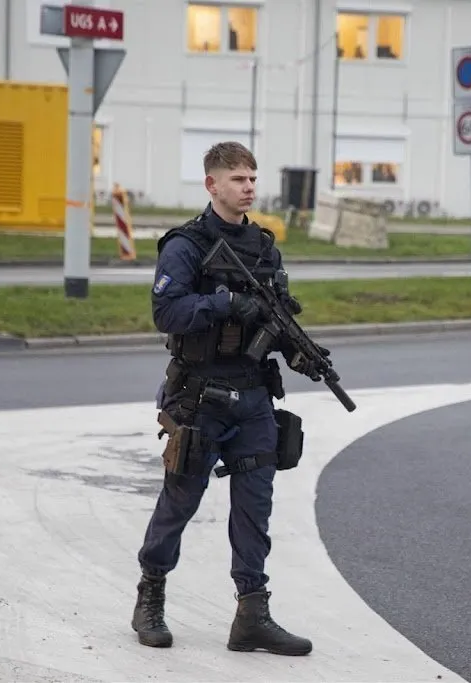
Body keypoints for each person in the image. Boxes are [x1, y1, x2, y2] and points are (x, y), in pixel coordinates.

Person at [131, 141, 322, 657]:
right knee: (180, 500)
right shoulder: (186, 246)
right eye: (238, 178)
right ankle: (150, 595)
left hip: (254, 398)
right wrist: (225, 303)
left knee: (255, 509)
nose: (249, 187)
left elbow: (276, 314)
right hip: (199, 396)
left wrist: (299, 352)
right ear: (212, 184)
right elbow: (167, 313)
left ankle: (252, 614)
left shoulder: (264, 247)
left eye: (253, 178)